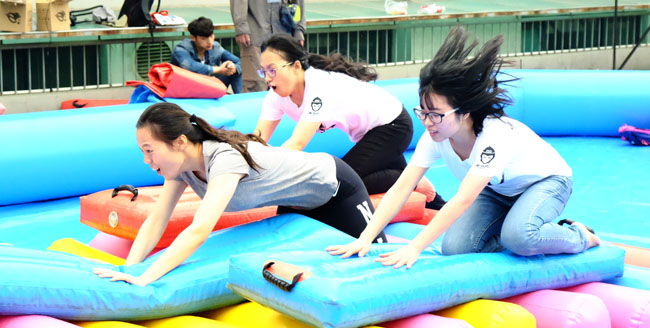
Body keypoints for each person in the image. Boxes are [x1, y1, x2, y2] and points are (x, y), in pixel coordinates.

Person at [327, 26, 601, 268]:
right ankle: (514, 229)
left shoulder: (493, 136)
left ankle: (580, 235)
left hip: (547, 182)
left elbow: (463, 199)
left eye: (436, 114)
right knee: (455, 249)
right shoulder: (434, 136)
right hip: (498, 191)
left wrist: (415, 247)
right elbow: (402, 187)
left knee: (520, 237)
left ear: (464, 112)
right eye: (423, 113)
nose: (428, 122)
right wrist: (365, 237)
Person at [93, 102, 385, 286]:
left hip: (336, 188)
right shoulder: (181, 168)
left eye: (149, 150)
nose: (147, 161)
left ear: (179, 142)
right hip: (296, 205)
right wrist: (129, 271)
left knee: (375, 260)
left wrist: (147, 277)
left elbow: (199, 229)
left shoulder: (223, 158)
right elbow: (156, 220)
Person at [254, 34, 445, 209]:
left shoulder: (318, 86)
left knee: (342, 182)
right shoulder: (275, 97)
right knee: (375, 174)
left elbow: (297, 143)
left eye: (272, 70)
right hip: (369, 134)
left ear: (296, 67)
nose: (268, 78)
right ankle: (437, 203)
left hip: (392, 125)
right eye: (263, 72)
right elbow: (257, 139)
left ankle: (412, 181)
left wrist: (273, 175)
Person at [230, 0, 306, 93]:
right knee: (255, 84)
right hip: (254, 32)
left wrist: (299, 31)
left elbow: (300, 3)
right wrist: (241, 27)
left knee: (285, 81)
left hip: (284, 31)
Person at [171, 17, 243, 94]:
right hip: (187, 89)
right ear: (193, 37)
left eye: (211, 36)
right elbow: (191, 67)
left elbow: (239, 61)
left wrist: (233, 68)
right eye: (203, 38)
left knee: (236, 71)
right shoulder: (181, 49)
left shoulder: (215, 47)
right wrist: (219, 69)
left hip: (208, 86)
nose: (209, 41)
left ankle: (242, 98)